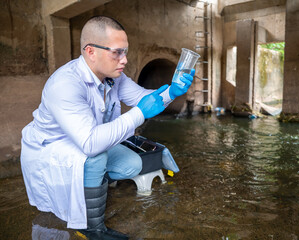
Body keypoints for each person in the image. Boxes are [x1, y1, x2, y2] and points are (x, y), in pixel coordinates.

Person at [20, 16, 195, 239]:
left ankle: (90, 187)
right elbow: (92, 143)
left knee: (132, 164)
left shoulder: (114, 78)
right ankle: (92, 229)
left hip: (89, 141)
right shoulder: (65, 84)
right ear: (91, 51)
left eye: (126, 52)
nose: (124, 60)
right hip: (54, 149)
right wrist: (139, 113)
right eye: (117, 52)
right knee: (95, 157)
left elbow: (143, 98)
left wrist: (171, 92)